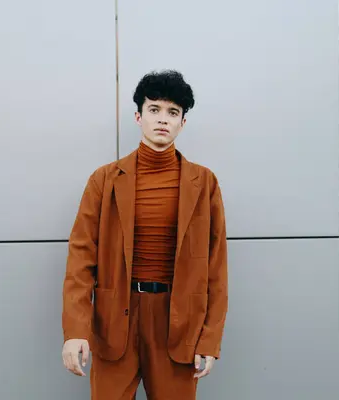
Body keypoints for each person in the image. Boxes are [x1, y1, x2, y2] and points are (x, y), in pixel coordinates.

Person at [61, 69, 228, 399]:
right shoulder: (104, 180)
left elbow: (216, 269)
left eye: (173, 112)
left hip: (178, 324)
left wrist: (210, 338)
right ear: (138, 116)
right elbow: (80, 259)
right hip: (115, 320)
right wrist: (75, 330)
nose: (163, 119)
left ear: (183, 122)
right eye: (154, 110)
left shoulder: (204, 183)